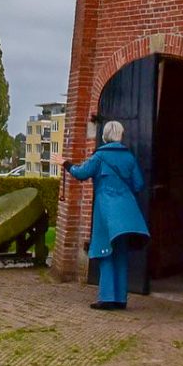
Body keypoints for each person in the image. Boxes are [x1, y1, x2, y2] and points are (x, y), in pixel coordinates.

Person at [68, 120, 149, 310]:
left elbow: (81, 173)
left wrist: (66, 164)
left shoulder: (99, 157)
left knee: (105, 251)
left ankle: (107, 298)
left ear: (105, 136)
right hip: (127, 212)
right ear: (120, 135)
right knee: (121, 254)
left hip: (105, 210)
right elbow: (139, 184)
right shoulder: (129, 157)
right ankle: (120, 298)